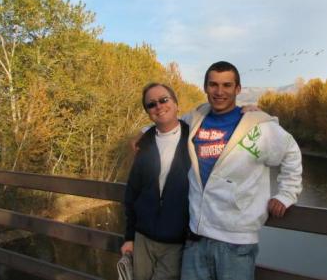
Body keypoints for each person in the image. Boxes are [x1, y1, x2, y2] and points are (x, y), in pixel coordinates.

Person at [180, 61, 303, 280]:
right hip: (195, 239)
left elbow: (290, 151)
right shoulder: (196, 118)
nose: (220, 92)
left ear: (238, 89)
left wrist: (287, 193)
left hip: (236, 244)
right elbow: (167, 125)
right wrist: (143, 134)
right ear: (205, 87)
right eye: (213, 85)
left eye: (227, 85)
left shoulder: (257, 126)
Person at [121, 83, 190, 280]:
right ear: (148, 112)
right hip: (143, 238)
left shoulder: (194, 137)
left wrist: (249, 112)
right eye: (151, 104)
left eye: (164, 100)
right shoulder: (144, 144)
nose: (158, 106)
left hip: (176, 241)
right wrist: (129, 237)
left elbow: (222, 117)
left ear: (176, 103)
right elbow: (132, 193)